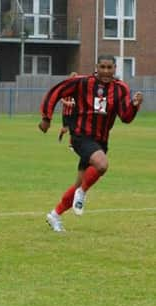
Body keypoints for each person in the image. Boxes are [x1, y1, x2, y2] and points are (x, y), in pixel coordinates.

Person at [39, 55, 143, 232]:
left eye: (109, 67)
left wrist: (134, 105)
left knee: (79, 183)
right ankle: (83, 193)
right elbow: (55, 92)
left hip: (101, 142)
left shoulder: (121, 89)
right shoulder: (81, 82)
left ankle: (54, 215)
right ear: (96, 67)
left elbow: (125, 117)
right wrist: (46, 117)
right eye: (102, 67)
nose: (106, 71)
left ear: (115, 68)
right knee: (102, 165)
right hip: (81, 136)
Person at [57, 71, 78, 143]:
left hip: (74, 112)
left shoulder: (78, 88)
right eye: (73, 78)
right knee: (65, 129)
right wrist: (67, 103)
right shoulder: (65, 87)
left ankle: (71, 144)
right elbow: (61, 98)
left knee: (74, 129)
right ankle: (61, 134)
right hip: (66, 112)